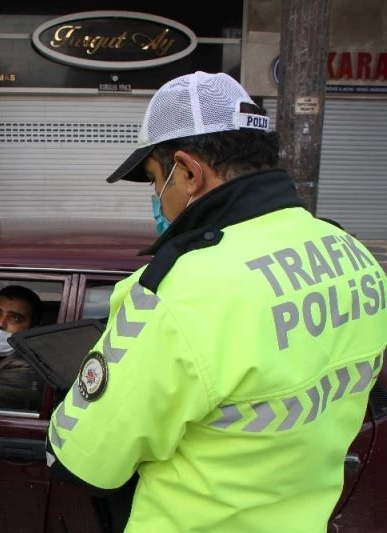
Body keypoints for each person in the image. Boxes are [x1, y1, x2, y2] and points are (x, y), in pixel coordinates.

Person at [47, 71, 387, 533]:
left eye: (154, 179)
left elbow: (81, 460)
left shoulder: (180, 290)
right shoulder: (351, 254)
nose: (156, 197)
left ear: (188, 172)